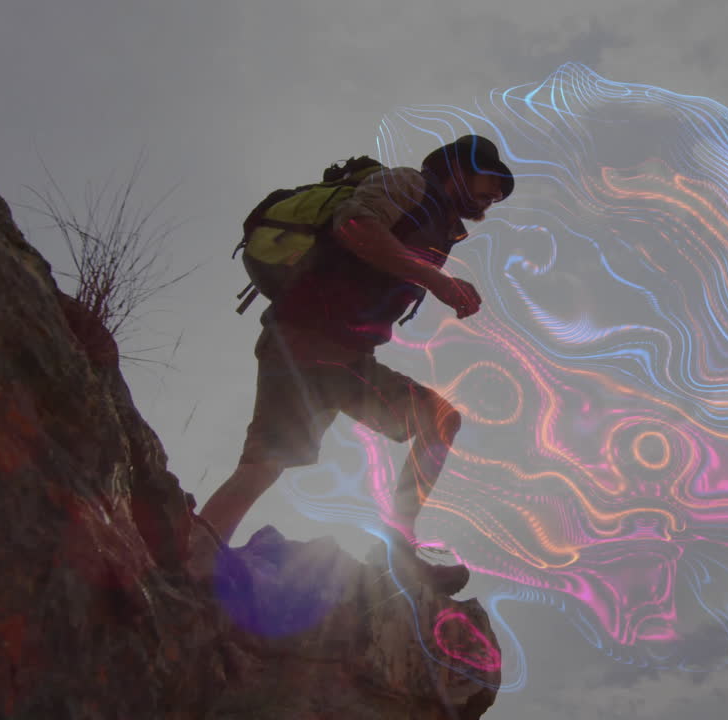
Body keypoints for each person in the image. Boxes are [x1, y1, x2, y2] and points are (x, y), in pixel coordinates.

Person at [200, 135, 514, 584]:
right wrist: (436, 281)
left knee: (439, 421)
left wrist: (432, 277)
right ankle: (192, 555)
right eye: (491, 179)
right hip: (302, 339)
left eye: (500, 191)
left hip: (346, 360)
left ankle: (397, 552)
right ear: (458, 168)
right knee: (264, 463)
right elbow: (352, 226)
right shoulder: (408, 185)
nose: (496, 194)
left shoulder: (441, 229)